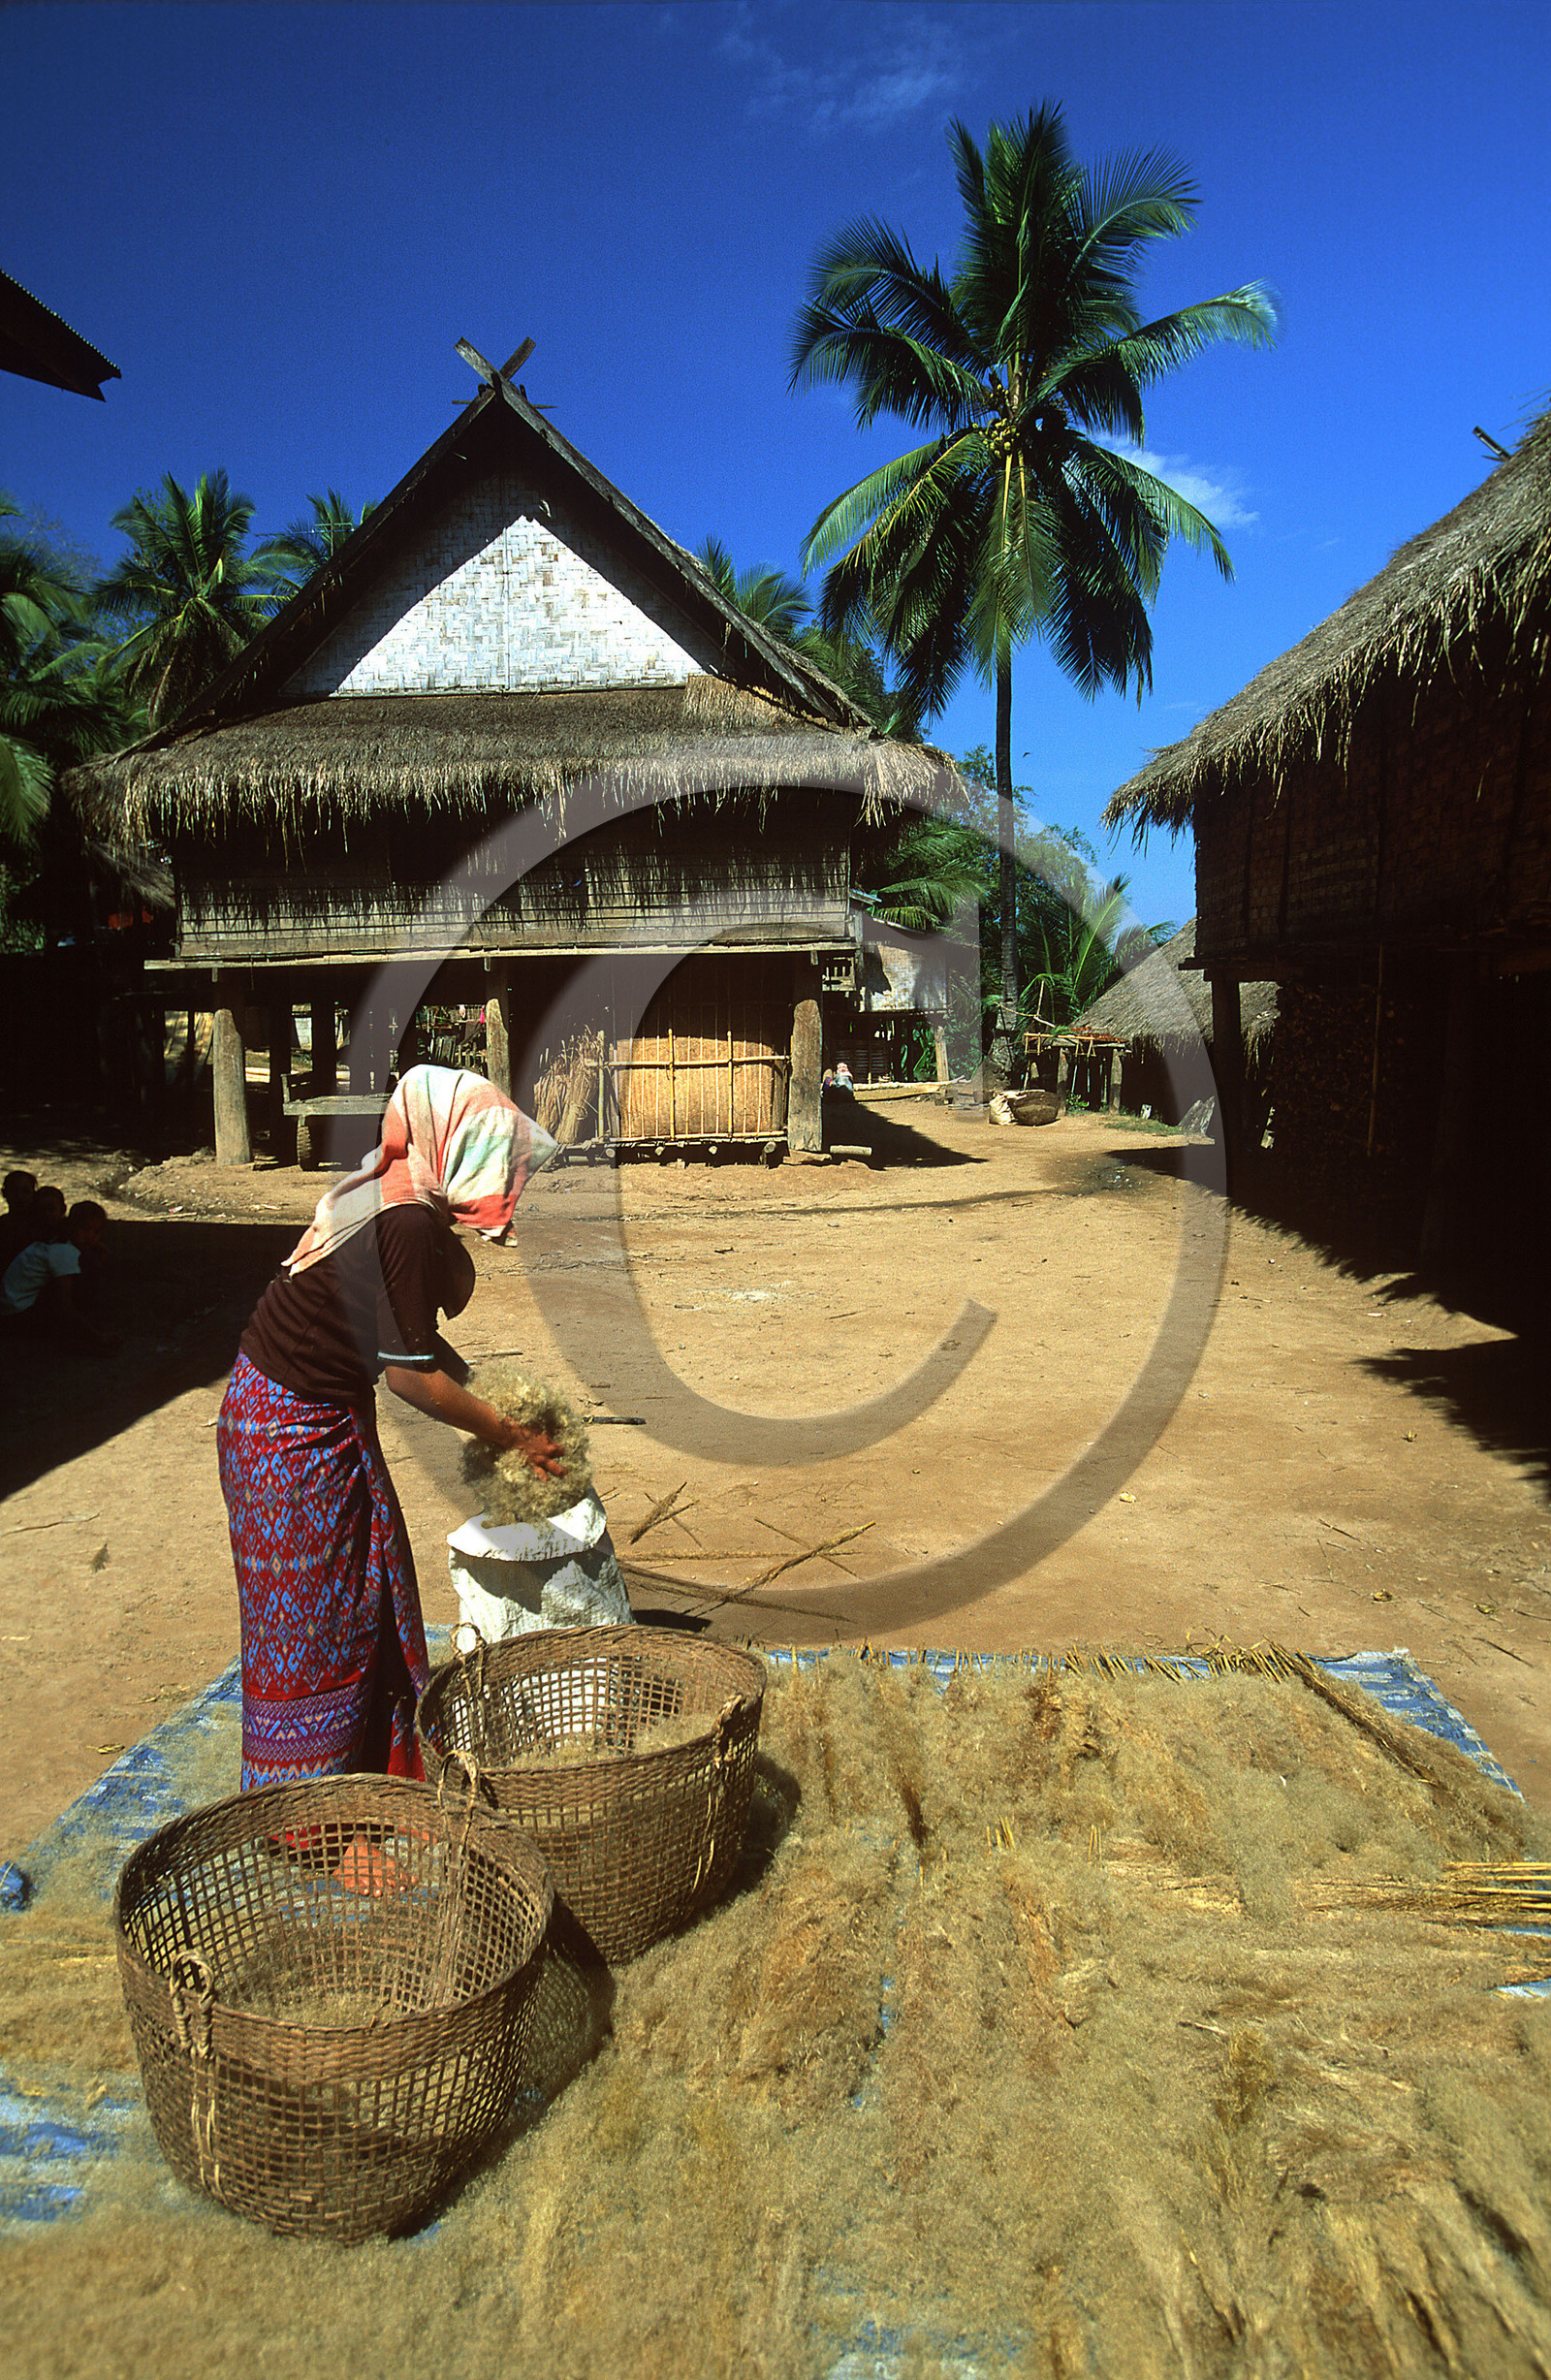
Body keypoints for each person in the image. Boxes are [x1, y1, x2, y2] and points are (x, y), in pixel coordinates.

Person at [218, 1065, 561, 1794]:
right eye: (496, 1162)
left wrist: (494, 1402)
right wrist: (511, 1434)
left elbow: (411, 1345)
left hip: (318, 1419)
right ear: (456, 1148)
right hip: (286, 1435)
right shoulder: (404, 1220)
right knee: (315, 1628)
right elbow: (409, 1378)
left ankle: (371, 1782)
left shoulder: (402, 1200)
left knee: (370, 1594)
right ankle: (309, 1825)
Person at [0, 1198, 117, 1353]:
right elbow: (65, 1305)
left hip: (10, 1307)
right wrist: (98, 1336)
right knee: (72, 1297)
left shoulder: (56, 1238)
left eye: (96, 1232)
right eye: (85, 1229)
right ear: (72, 1227)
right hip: (13, 1315)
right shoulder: (63, 1251)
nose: (90, 1236)